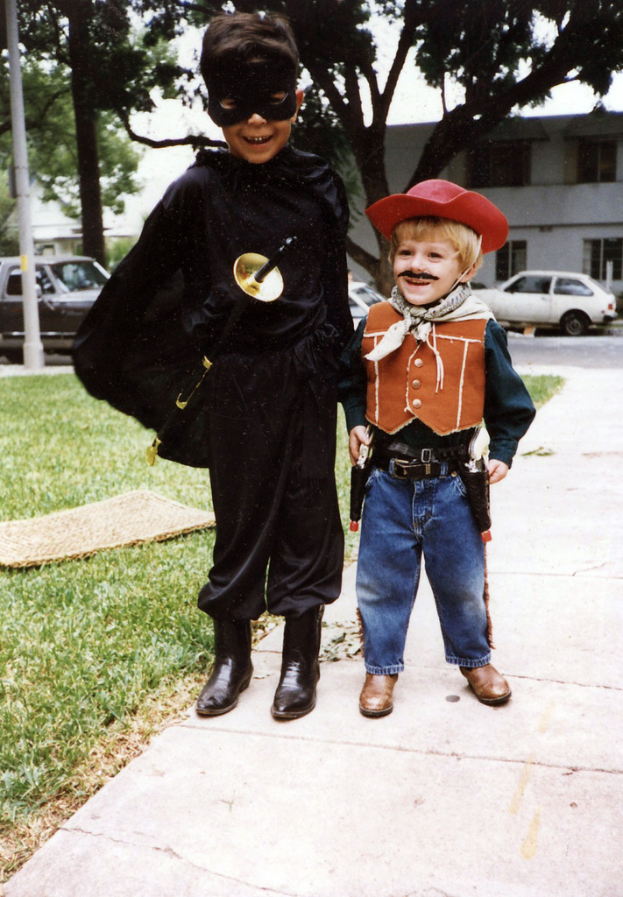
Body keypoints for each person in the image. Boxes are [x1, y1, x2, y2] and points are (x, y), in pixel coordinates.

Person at [73, 12, 353, 721]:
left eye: (272, 105)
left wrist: (350, 394)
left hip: (307, 375)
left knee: (307, 509)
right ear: (213, 107)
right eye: (237, 109)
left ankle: (299, 657)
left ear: (296, 100)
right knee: (240, 513)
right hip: (236, 377)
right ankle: (231, 654)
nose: (256, 124)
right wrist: (189, 326)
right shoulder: (198, 190)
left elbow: (336, 297)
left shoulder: (318, 183)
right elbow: (137, 286)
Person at [339, 179, 536, 717]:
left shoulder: (479, 327)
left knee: (462, 583)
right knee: (380, 583)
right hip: (385, 482)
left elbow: (512, 404)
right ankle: (380, 671)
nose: (416, 264)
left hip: (453, 484)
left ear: (464, 269)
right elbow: (349, 379)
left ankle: (474, 658)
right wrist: (356, 419)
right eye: (406, 252)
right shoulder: (376, 321)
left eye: (434, 255)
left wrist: (506, 448)